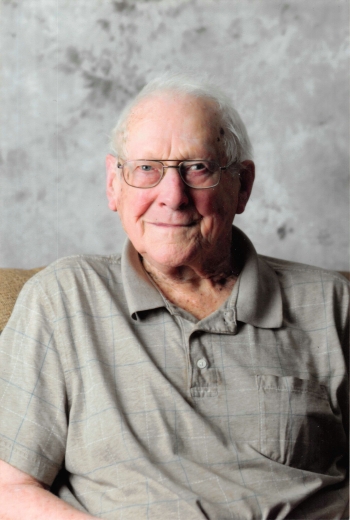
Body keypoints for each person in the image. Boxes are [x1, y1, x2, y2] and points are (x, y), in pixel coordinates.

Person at [0, 73, 348, 520]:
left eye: (197, 168)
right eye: (147, 168)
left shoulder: (332, 304)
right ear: (114, 184)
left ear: (242, 186)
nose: (172, 196)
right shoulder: (64, 300)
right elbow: (9, 487)